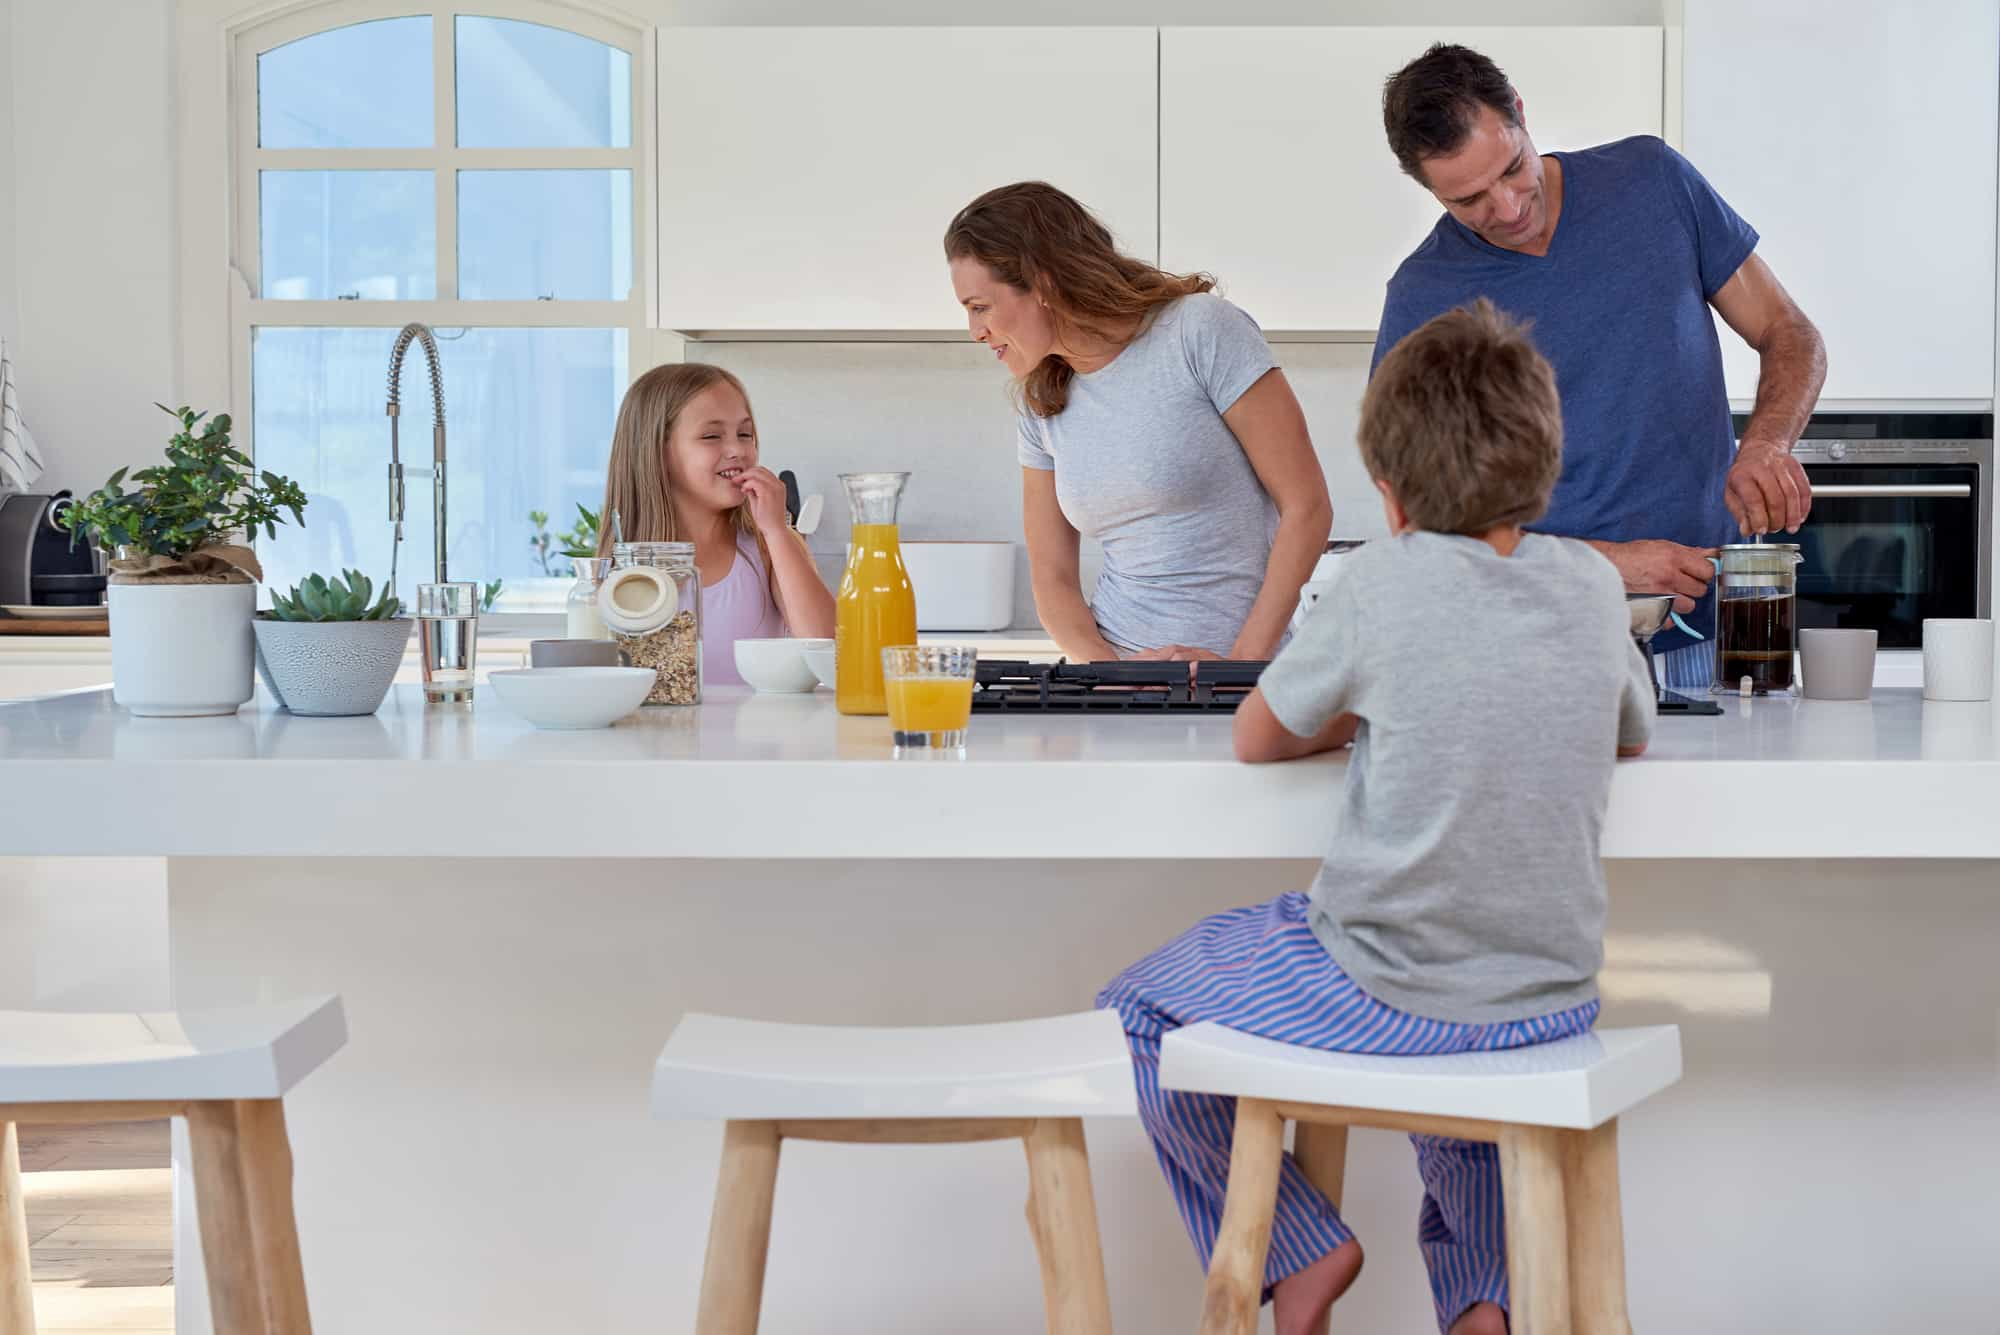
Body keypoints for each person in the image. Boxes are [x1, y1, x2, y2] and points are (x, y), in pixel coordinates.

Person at [1098, 301, 1654, 1335]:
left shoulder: (1378, 580)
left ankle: (1302, 1249)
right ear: (1542, 468)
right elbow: (1626, 730)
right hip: (1547, 997)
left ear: (1388, 497)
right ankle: (1484, 1300)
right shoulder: (1586, 582)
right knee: (1467, 1065)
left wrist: (1365, 708)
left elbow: (1256, 736)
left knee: (1137, 1008)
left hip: (1387, 985)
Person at [1373, 44, 1826, 692]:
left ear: (1521, 115)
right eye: (1468, 199)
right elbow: (1423, 527)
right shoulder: (1422, 295)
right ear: (1428, 188)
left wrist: (1766, 443)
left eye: (1511, 168)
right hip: (1538, 651)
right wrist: (1601, 566)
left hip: (1714, 633)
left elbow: (1791, 332)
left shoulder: (1653, 181)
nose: (1505, 209)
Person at [944, 182, 1332, 664]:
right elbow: (1053, 582)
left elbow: (1307, 507)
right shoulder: (1041, 401)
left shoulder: (1199, 332)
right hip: (1120, 683)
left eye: (980, 307)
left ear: (1041, 284)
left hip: (1249, 674)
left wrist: (1237, 672)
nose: (974, 332)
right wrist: (1114, 681)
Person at [595, 364, 833, 685]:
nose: (737, 450)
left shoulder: (767, 547)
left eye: (745, 434)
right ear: (657, 452)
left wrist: (777, 531)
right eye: (711, 436)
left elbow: (830, 651)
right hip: (654, 735)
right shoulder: (622, 566)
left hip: (757, 735)